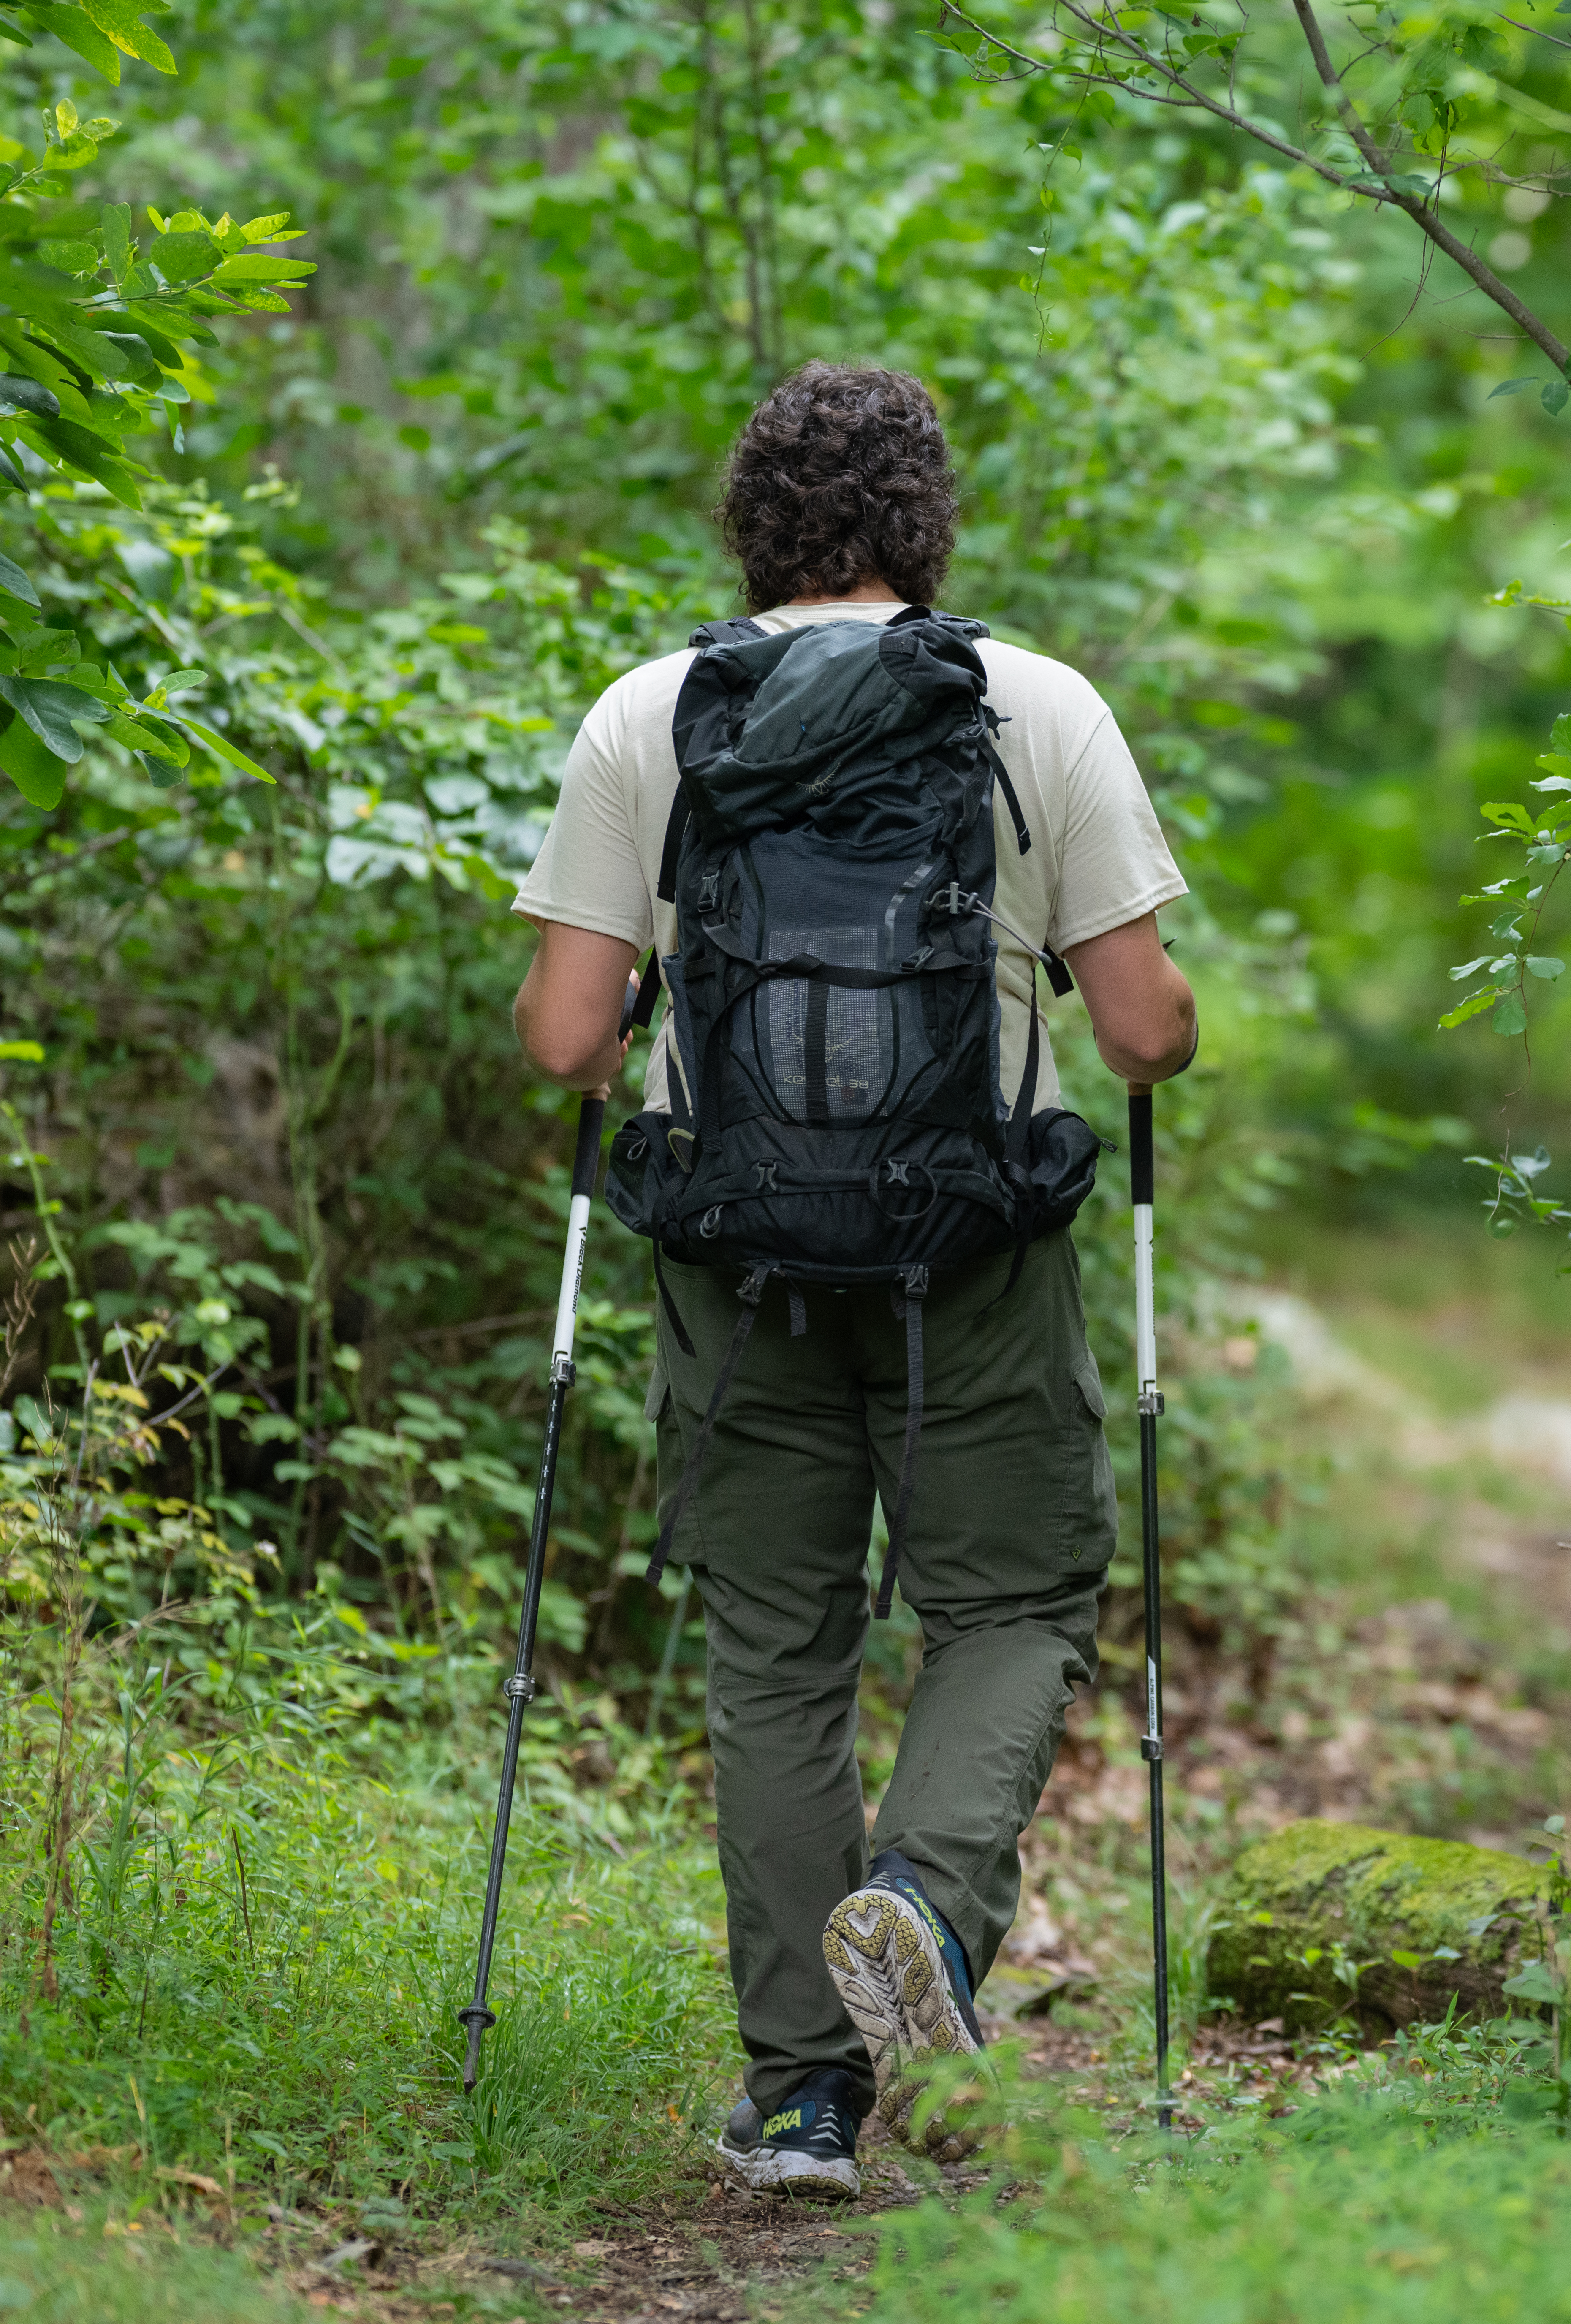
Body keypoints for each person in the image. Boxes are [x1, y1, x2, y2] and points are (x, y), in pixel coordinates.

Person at [507, 363, 1196, 2197]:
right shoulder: (1031, 707)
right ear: (928, 520)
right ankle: (919, 1904)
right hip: (972, 1258)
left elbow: (569, 1033)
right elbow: (1144, 1031)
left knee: (775, 1654)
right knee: (1017, 1597)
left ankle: (804, 2098)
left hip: (733, 1267)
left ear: (753, 524)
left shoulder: (652, 716)